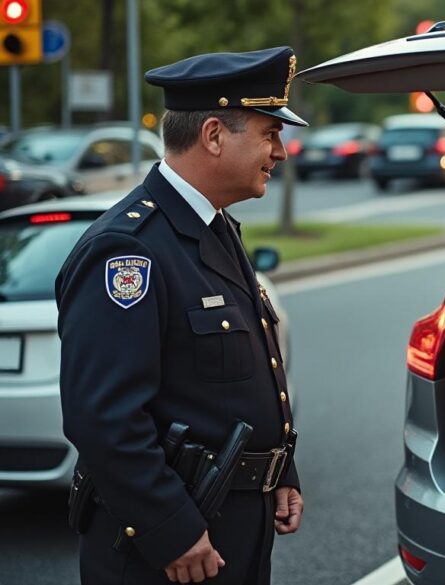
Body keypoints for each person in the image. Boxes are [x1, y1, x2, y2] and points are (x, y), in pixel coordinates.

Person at [57, 46, 308, 584]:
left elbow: (239, 379)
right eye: (270, 133)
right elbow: (103, 417)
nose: (281, 152)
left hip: (230, 526)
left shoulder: (214, 228)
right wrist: (169, 527)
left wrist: (278, 468)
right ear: (214, 135)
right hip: (169, 553)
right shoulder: (129, 250)